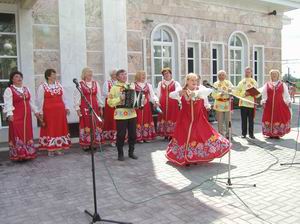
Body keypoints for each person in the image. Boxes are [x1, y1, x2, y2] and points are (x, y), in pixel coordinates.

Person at [165, 73, 230, 166]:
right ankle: (185, 158)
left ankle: (195, 157)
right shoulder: (182, 90)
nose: (194, 82)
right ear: (187, 81)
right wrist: (179, 93)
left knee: (202, 135)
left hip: (198, 118)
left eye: (195, 80)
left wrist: (207, 105)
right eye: (192, 80)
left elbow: (208, 93)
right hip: (185, 119)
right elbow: (171, 95)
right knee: (184, 137)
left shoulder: (201, 89)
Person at [3, 71, 39, 161]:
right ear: (12, 79)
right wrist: (10, 114)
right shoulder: (9, 90)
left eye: (20, 76)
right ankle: (19, 155)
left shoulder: (26, 89)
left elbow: (30, 102)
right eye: (16, 76)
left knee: (27, 134)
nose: (19, 78)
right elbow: (7, 103)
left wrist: (36, 111)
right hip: (16, 117)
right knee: (17, 134)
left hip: (27, 118)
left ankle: (27, 153)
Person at [37, 69, 71, 156]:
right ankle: (50, 149)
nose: (55, 76)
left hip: (60, 112)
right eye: (53, 74)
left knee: (59, 128)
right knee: (50, 128)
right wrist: (40, 112)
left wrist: (67, 108)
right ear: (48, 76)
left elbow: (64, 98)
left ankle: (58, 148)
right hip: (49, 112)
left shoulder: (59, 85)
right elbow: (40, 100)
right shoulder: (42, 87)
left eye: (55, 74)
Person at [107, 69, 138, 161]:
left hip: (132, 114)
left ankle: (131, 152)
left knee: (133, 134)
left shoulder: (131, 86)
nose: (124, 76)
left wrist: (139, 102)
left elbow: (134, 99)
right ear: (117, 77)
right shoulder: (114, 87)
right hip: (120, 114)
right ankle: (120, 154)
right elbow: (109, 102)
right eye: (122, 75)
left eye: (125, 74)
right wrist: (119, 98)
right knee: (121, 135)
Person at [74, 67, 103, 150]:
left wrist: (101, 107)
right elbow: (77, 97)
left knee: (95, 123)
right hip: (84, 106)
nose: (90, 74)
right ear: (84, 74)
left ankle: (94, 143)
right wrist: (77, 109)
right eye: (88, 72)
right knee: (86, 123)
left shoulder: (95, 83)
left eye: (91, 72)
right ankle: (86, 143)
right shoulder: (80, 84)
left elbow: (99, 96)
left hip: (94, 106)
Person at [262, 69, 291, 138]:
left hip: (279, 105)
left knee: (278, 118)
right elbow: (264, 94)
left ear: (278, 75)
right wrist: (263, 101)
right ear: (270, 75)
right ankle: (269, 133)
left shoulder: (282, 84)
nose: (274, 75)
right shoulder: (267, 84)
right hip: (269, 105)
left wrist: (288, 101)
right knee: (267, 118)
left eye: (275, 74)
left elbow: (286, 94)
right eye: (272, 74)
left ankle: (277, 133)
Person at [156, 67, 181, 140]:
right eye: (164, 74)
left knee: (172, 117)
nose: (166, 75)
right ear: (163, 75)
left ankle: (172, 134)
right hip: (163, 103)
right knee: (163, 117)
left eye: (168, 73)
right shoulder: (160, 83)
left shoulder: (175, 83)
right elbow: (158, 93)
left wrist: (179, 100)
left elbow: (179, 91)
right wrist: (157, 101)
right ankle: (165, 133)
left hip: (173, 104)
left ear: (171, 74)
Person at [134, 71, 159, 143]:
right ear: (138, 76)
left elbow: (152, 95)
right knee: (137, 120)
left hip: (146, 106)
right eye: (142, 75)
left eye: (144, 75)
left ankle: (146, 136)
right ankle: (138, 137)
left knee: (146, 119)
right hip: (137, 106)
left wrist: (155, 101)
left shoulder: (148, 85)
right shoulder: (133, 85)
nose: (144, 76)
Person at [235, 67, 259, 139]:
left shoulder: (254, 82)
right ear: (244, 72)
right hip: (243, 103)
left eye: (249, 72)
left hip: (251, 103)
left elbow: (258, 93)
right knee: (244, 119)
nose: (247, 73)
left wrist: (252, 93)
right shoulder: (241, 82)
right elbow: (237, 92)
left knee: (251, 120)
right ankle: (243, 133)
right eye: (246, 72)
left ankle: (251, 134)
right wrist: (244, 94)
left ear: (251, 73)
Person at [212, 70, 234, 139]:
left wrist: (231, 91)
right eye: (220, 75)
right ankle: (220, 134)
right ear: (218, 76)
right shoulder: (215, 84)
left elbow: (233, 90)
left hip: (227, 103)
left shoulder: (229, 83)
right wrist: (220, 94)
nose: (221, 76)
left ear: (225, 76)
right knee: (220, 120)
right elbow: (213, 95)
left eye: (223, 75)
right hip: (219, 103)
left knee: (228, 120)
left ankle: (228, 134)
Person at [101, 69, 117, 146]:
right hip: (110, 105)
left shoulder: (119, 83)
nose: (115, 75)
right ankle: (112, 139)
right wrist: (113, 96)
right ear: (111, 75)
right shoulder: (107, 83)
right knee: (111, 120)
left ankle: (118, 138)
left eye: (116, 74)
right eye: (114, 74)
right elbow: (104, 93)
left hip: (118, 104)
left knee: (118, 120)